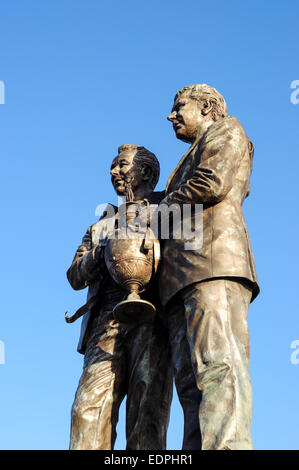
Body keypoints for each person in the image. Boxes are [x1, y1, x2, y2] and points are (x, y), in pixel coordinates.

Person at [158, 84, 260, 450]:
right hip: (181, 277)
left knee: (218, 368)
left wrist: (156, 214)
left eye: (179, 106)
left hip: (213, 264)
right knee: (189, 384)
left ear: (206, 108)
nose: (171, 115)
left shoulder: (226, 129)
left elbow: (211, 182)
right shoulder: (185, 160)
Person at [67, 144, 172, 450]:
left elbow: (189, 260)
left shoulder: (170, 210)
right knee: (86, 409)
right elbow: (74, 276)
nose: (114, 172)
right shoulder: (100, 224)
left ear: (147, 172)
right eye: (113, 167)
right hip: (106, 322)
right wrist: (100, 253)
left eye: (122, 165)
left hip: (154, 318)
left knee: (147, 408)